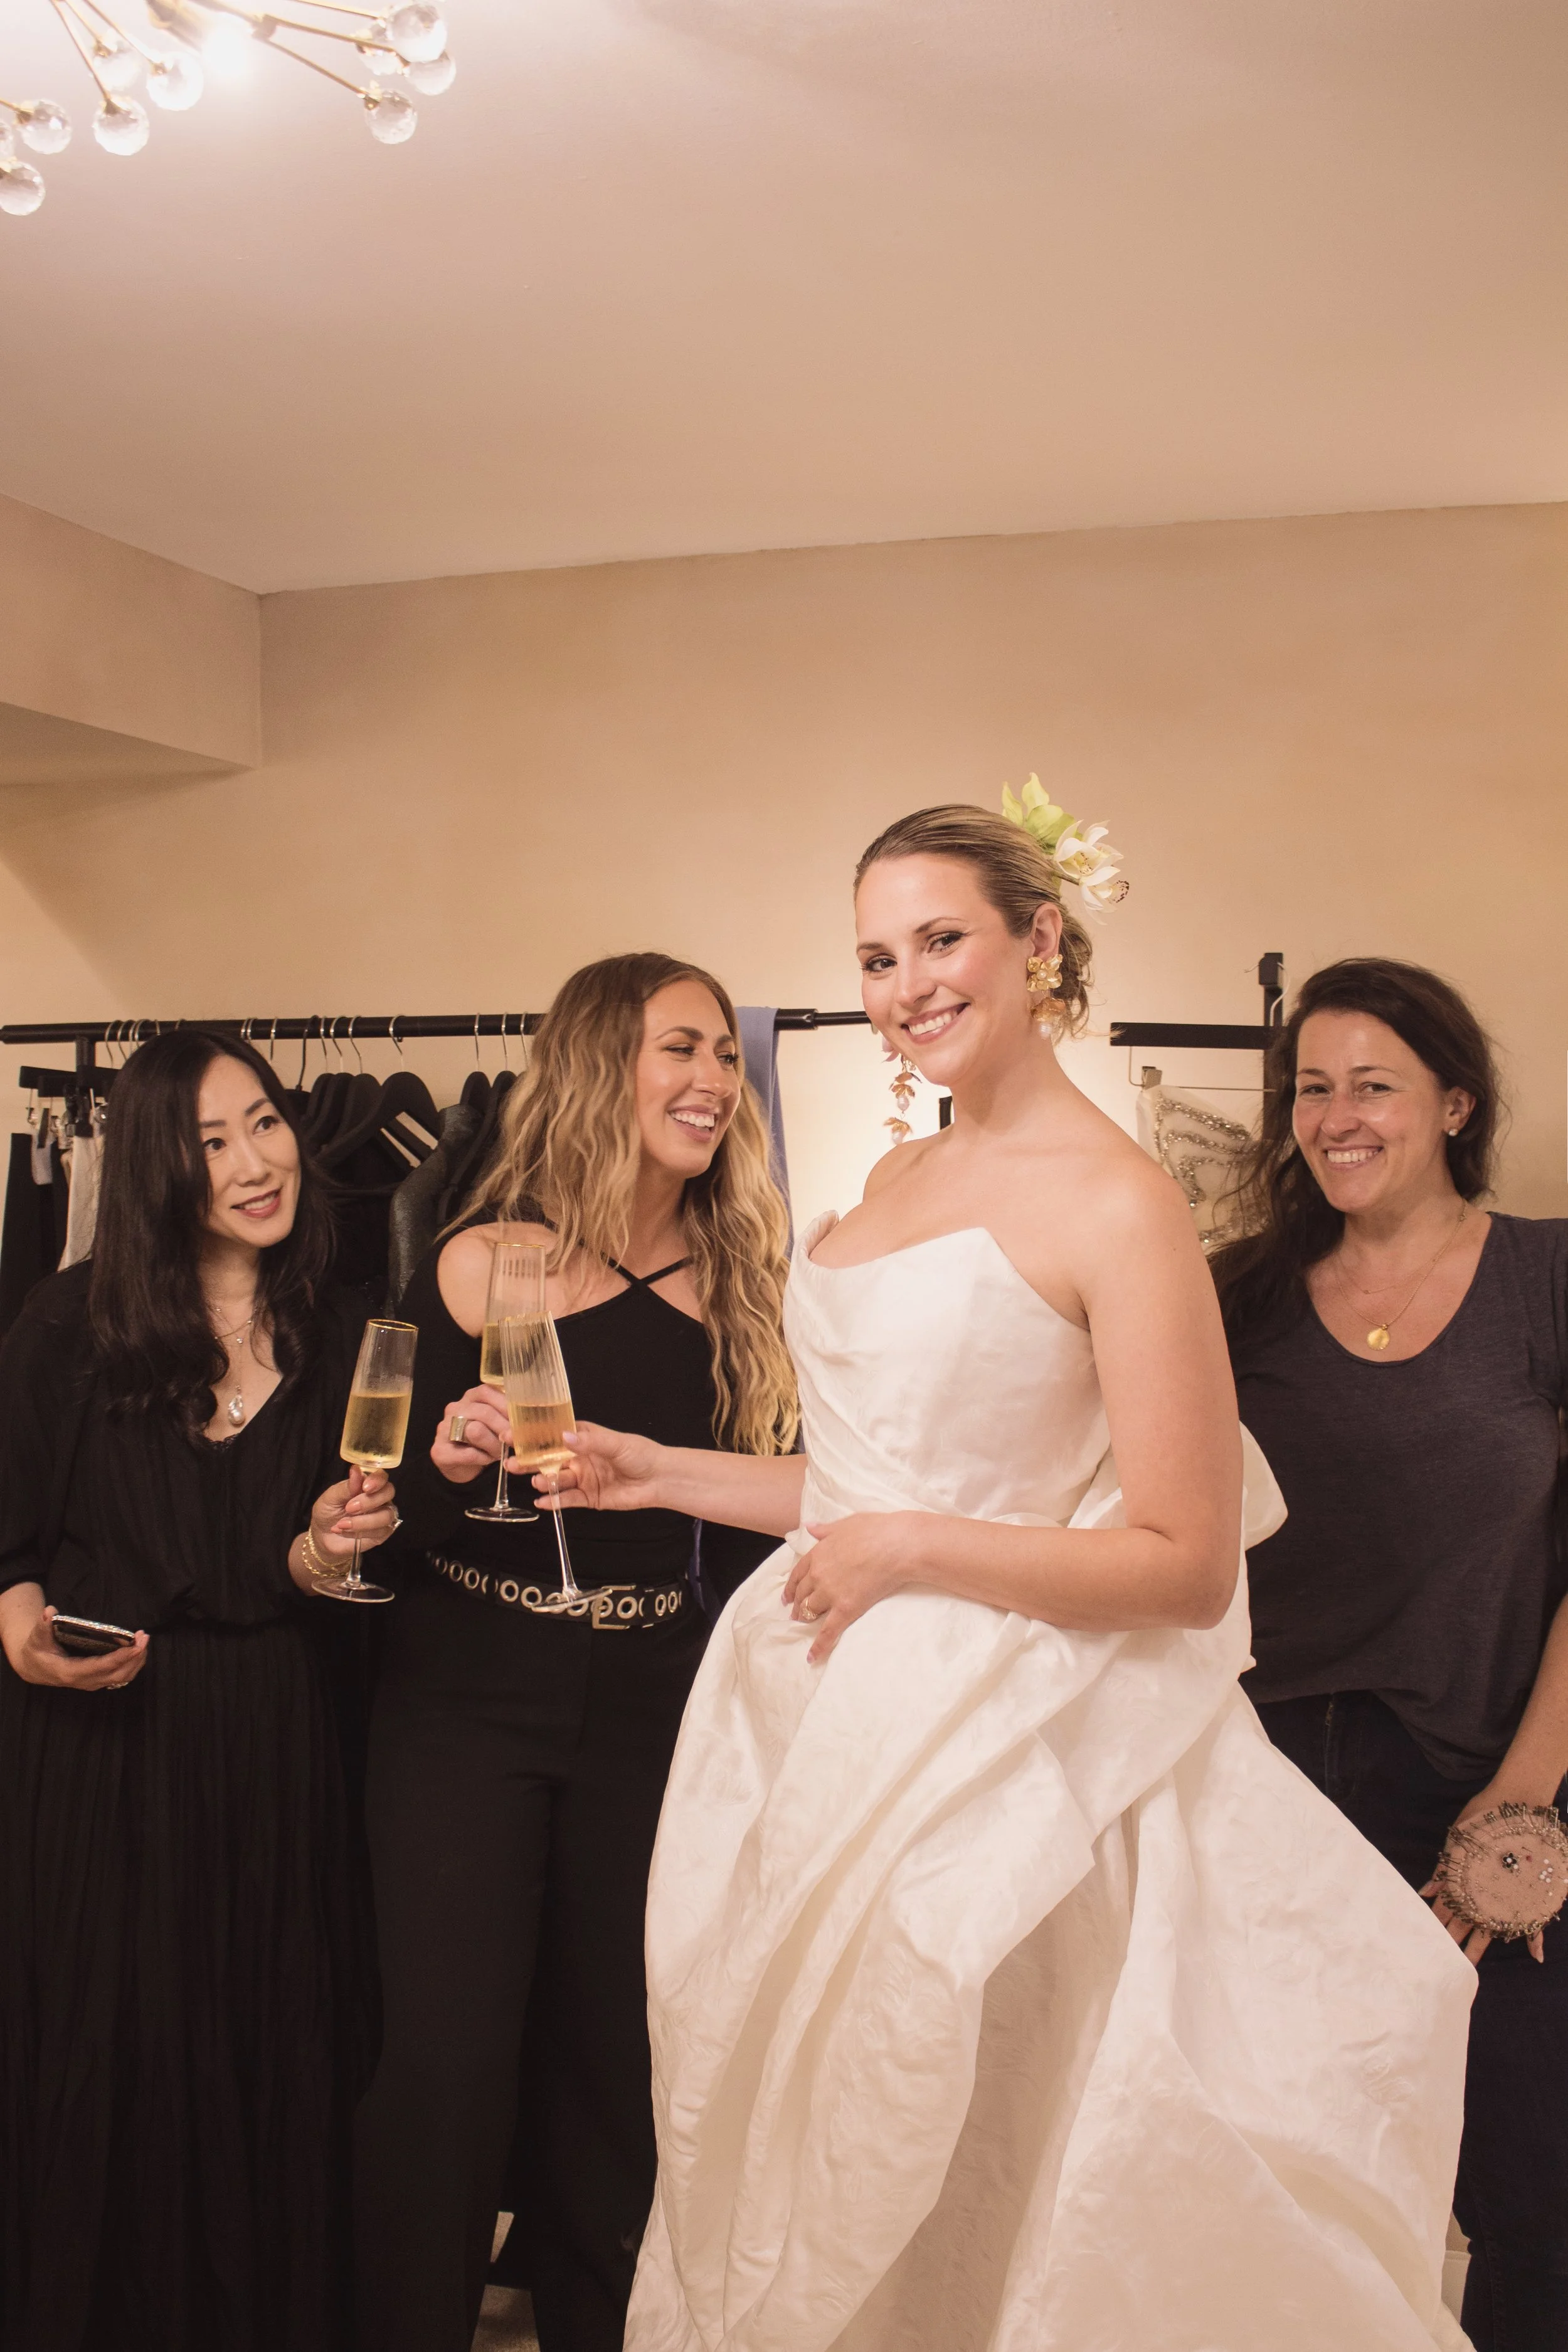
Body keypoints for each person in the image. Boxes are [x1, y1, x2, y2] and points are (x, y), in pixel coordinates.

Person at [551, 802, 1477, 2352]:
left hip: (1014, 1756)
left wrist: (906, 1553)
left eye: (939, 939)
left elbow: (1181, 1565)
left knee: (1001, 2176)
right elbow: (861, 1486)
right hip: (822, 1729)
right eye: (873, 955)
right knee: (812, 2146)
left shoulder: (1121, 1204)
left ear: (1036, 942)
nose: (905, 982)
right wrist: (649, 1469)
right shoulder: (886, 1179)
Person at [352, 953, 795, 2352]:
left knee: (623, 2060)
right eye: (679, 1049)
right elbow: (398, 1522)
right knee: (445, 2060)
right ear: (604, 1066)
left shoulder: (747, 1283)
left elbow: (762, 1523)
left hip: (659, 1703)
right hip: (466, 1697)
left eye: (724, 1055)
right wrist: (442, 1454)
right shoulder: (493, 1258)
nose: (713, 1082)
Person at [0, 1029, 398, 2352]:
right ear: (157, 1165)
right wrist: (16, 1627)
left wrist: (328, 1549)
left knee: (272, 2053)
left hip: (279, 1741)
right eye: (211, 1140)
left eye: (266, 1123)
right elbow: (7, 1539)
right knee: (108, 2059)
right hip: (104, 1742)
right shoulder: (70, 1318)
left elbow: (303, 1569)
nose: (253, 1161)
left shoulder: (347, 1324)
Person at [1213, 957, 1568, 2352]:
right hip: (1268, 1797)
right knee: (1295, 2190)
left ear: (1453, 1105)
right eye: (1310, 1087)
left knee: (1533, 2197)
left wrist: (1520, 1808)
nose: (1335, 1114)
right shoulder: (1233, 1294)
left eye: (1374, 1084)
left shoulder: (1545, 1275)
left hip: (1490, 1776)